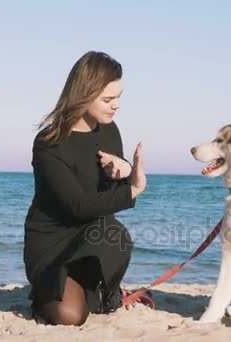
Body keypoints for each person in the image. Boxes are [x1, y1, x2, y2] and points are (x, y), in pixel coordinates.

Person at [24, 51, 147, 326]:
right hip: (51, 242)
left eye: (119, 97)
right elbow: (78, 206)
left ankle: (100, 291)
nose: (116, 105)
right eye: (108, 99)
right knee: (70, 316)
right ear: (84, 94)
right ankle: (45, 292)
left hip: (94, 235)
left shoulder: (110, 131)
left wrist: (125, 172)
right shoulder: (48, 142)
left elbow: (108, 195)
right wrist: (133, 189)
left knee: (115, 233)